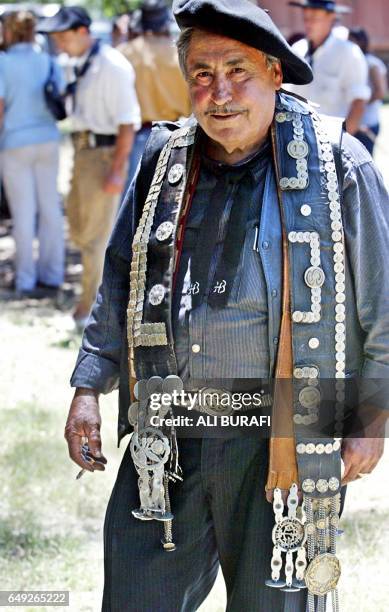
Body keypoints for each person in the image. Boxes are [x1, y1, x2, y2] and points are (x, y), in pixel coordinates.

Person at [65, 1, 388, 611]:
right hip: (171, 422)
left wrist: (374, 418)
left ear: (275, 71)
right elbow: (121, 278)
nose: (220, 93)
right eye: (203, 75)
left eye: (238, 70)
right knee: (138, 596)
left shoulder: (338, 165)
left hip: (284, 432)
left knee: (275, 602)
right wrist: (89, 385)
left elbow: (385, 304)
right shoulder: (162, 161)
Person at [38, 6, 141, 328]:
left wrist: (117, 169)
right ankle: (91, 305)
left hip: (104, 154)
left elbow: (127, 123)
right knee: (81, 231)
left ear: (82, 32)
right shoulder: (82, 63)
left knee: (97, 238)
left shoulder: (112, 66)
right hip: (84, 152)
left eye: (62, 36)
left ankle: (88, 313)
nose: (58, 43)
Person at [0, 10, 64, 297]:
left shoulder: (3, 63)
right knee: (50, 209)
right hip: (48, 139)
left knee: (23, 213)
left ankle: (25, 279)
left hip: (15, 142)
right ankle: (53, 274)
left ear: (8, 31)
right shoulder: (48, 61)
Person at [119, 0, 191, 188]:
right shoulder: (181, 54)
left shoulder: (124, 53)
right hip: (175, 133)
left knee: (133, 202)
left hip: (134, 136)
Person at [287, 0, 370, 135]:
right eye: (305, 18)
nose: (308, 23)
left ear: (331, 18)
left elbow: (358, 103)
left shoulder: (348, 53)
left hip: (331, 140)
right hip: (297, 138)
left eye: (314, 18)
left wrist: (343, 142)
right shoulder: (297, 50)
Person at [348, 27, 388, 156]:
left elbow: (380, 92)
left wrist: (358, 105)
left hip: (367, 122)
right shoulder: (351, 60)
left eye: (352, 40)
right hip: (353, 122)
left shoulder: (371, 63)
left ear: (361, 41)